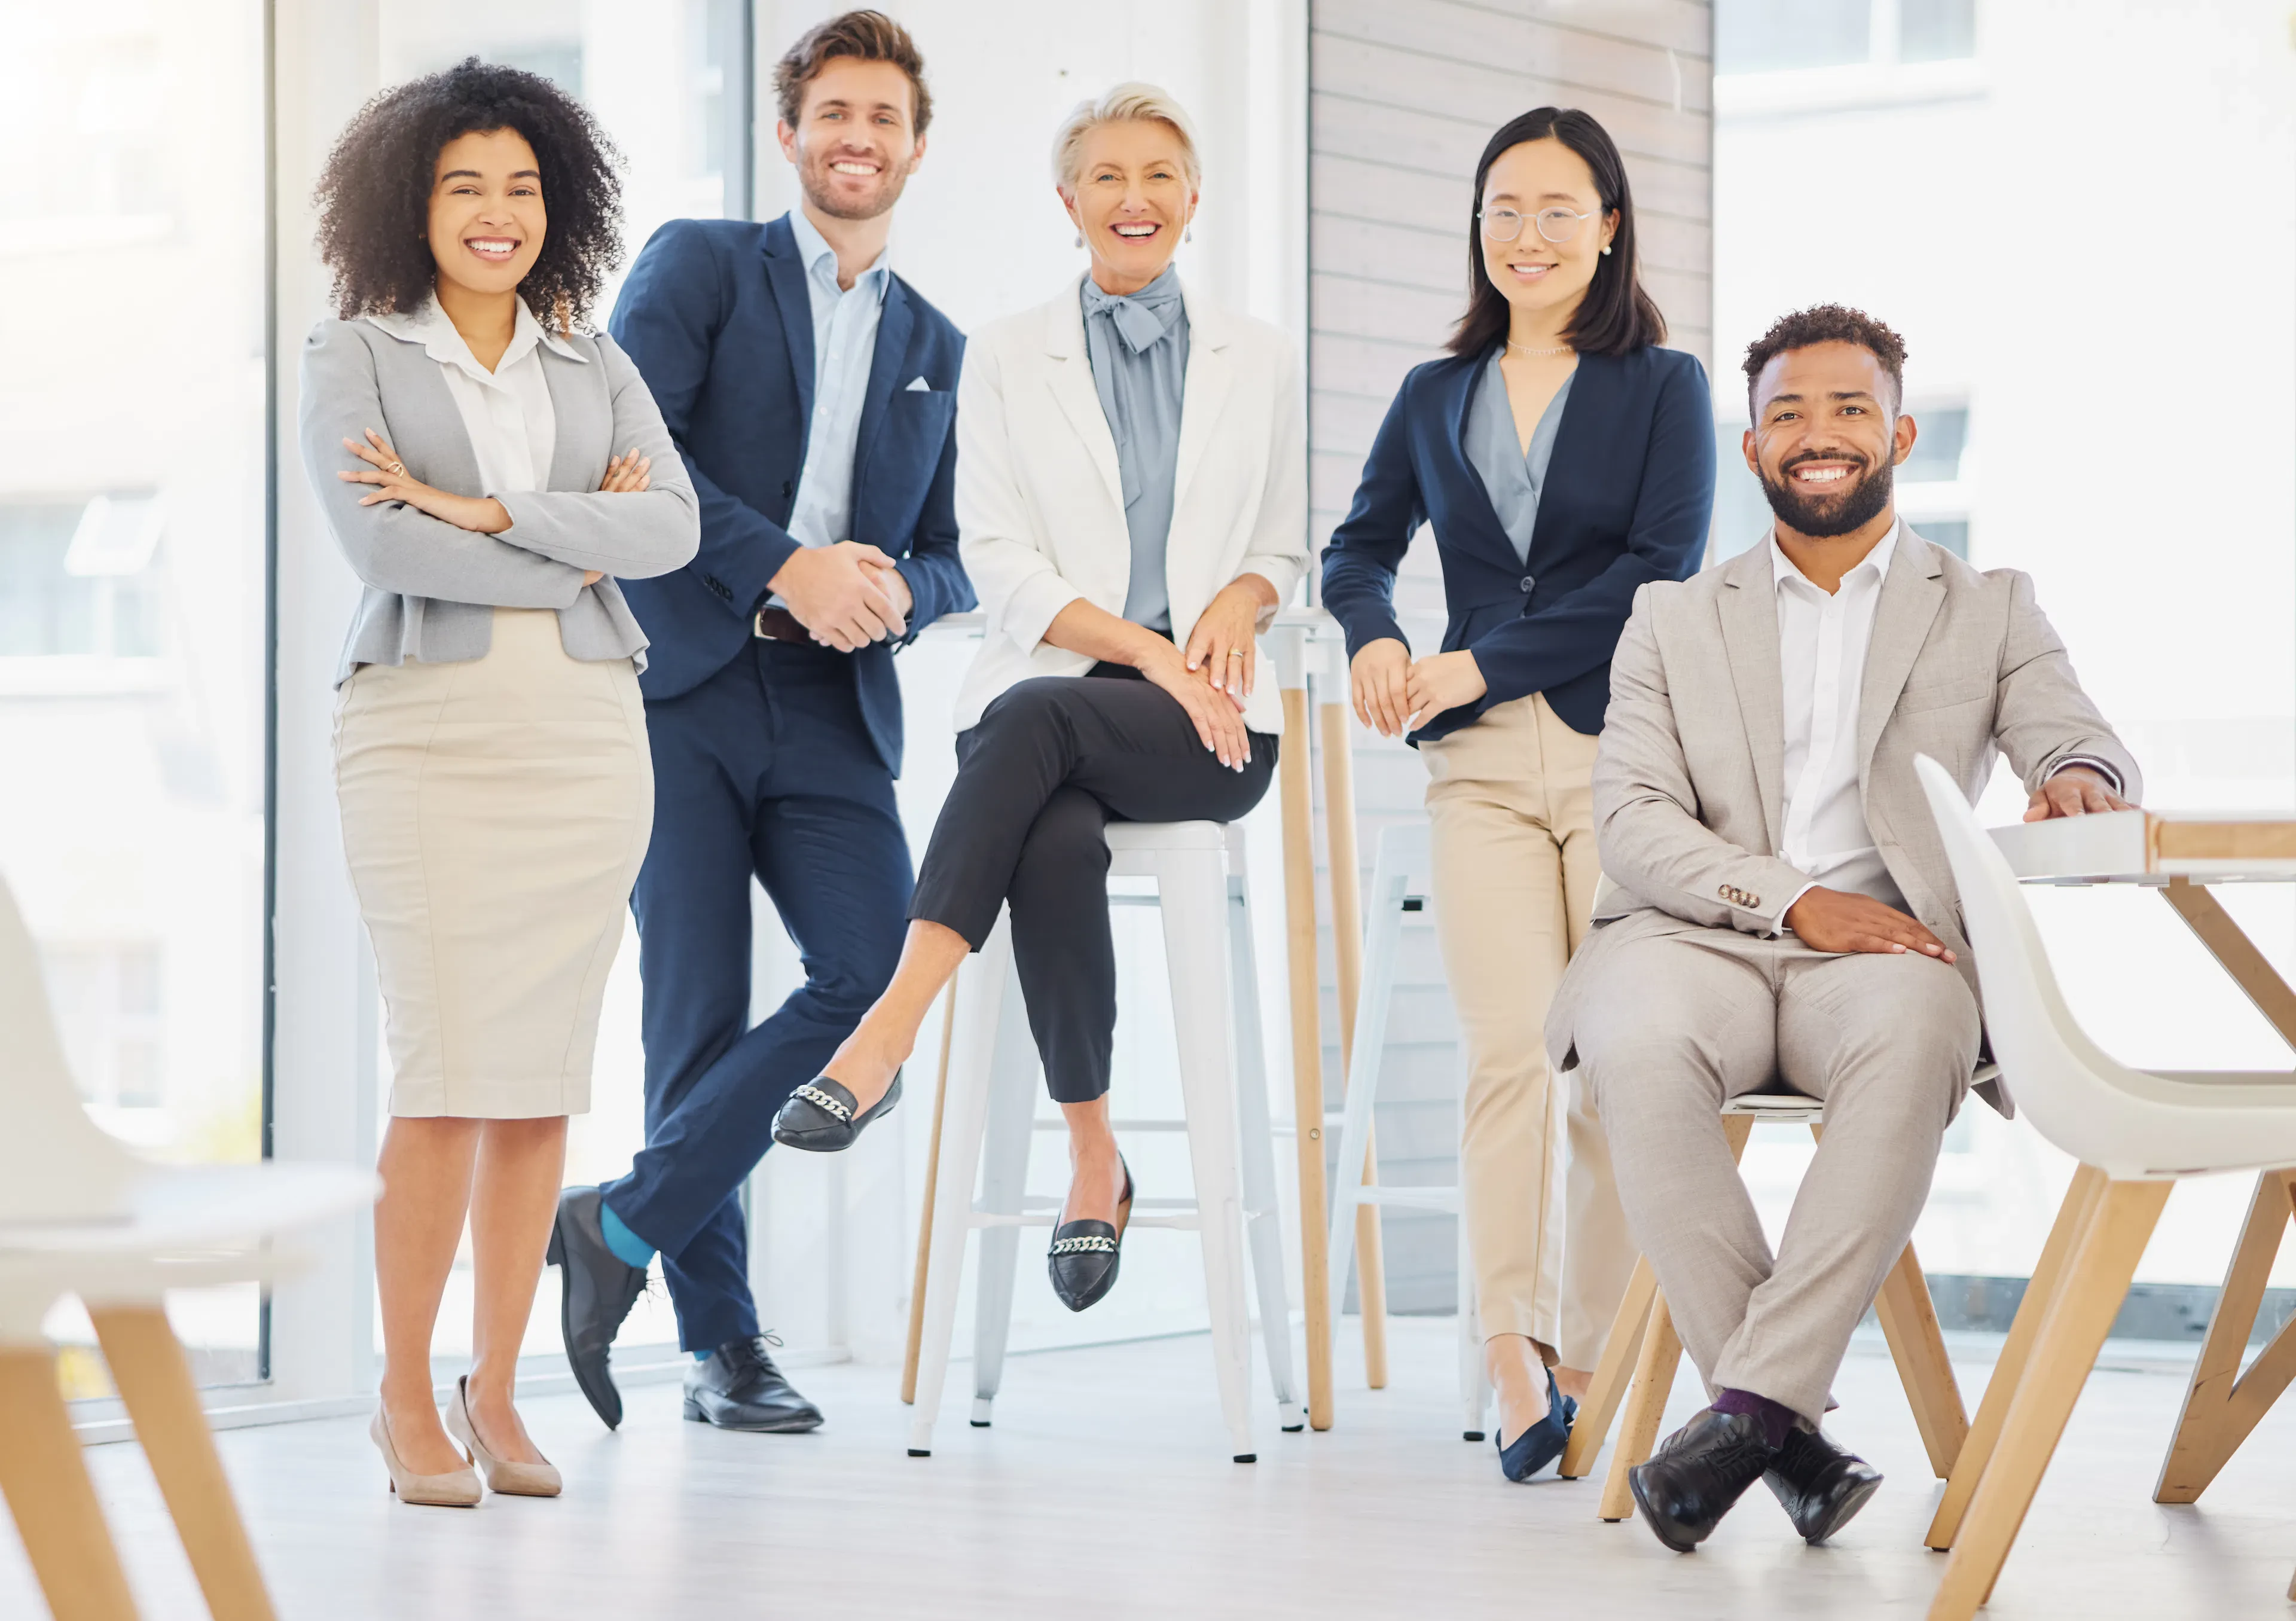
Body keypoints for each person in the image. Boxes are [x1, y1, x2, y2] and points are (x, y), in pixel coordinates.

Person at [1546, 304, 2140, 1552]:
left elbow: (2076, 734)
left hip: (1883, 953)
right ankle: (1784, 1430)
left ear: (1900, 435)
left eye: (1850, 409)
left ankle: (1744, 1417)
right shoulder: (1671, 616)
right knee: (1633, 1039)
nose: (1819, 435)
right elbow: (1634, 821)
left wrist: (2080, 775)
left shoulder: (1989, 606)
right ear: (1754, 446)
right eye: (1789, 414)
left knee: (1927, 1027)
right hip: (1690, 933)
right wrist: (1790, 898)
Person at [767, 83, 1306, 1317]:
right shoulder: (1006, 353)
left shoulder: (1261, 354)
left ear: (1194, 196)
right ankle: (1093, 1156)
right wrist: (1147, 653)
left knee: (1030, 731)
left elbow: (1281, 542)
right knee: (1051, 830)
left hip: (1207, 720)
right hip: (1062, 686)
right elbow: (999, 561)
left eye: (1158, 174)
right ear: (1068, 201)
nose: (1134, 197)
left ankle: (884, 1035)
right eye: (1106, 176)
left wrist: (1242, 599)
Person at [546, 10, 972, 1435]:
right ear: (788, 132)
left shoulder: (937, 344)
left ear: (917, 149)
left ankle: (619, 1221)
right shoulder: (702, 265)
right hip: (682, 683)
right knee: (697, 1010)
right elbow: (630, 454)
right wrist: (786, 564)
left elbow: (959, 552)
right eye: (833, 111)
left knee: (875, 974)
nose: (859, 136)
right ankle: (722, 1345)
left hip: (835, 704)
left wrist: (895, 589)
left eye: (884, 117)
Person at [302, 60, 699, 1506]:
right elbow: (381, 546)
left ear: (559, 206)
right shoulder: (354, 352)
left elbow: (671, 528)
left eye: (522, 186)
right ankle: (404, 1390)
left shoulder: (593, 362)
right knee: (444, 1073)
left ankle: (497, 1386)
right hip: (426, 736)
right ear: (411, 204)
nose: (497, 211)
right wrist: (569, 539)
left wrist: (478, 507)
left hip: (587, 737)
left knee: (537, 1084)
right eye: (465, 184)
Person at [1319, 106, 1713, 1482]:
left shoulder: (1664, 386)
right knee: (1508, 1054)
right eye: (1504, 208)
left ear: (1608, 226)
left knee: (1607, 1066)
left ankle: (1592, 1360)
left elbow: (1659, 573)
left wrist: (1478, 658)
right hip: (1478, 767)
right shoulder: (1436, 394)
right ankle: (1509, 1353)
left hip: (1625, 761)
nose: (1526, 234)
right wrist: (1375, 636)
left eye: (1556, 208)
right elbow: (1357, 547)